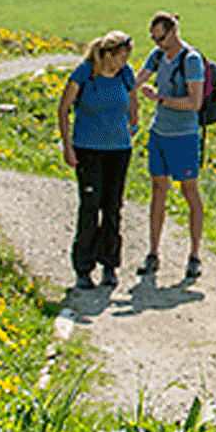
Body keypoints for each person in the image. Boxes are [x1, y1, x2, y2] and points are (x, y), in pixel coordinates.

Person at [57, 29, 139, 290]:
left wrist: (133, 125)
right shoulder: (84, 72)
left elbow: (132, 98)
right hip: (88, 148)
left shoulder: (126, 73)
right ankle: (83, 267)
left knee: (113, 207)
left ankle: (110, 264)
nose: (125, 62)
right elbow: (64, 108)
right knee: (90, 207)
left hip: (118, 149)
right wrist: (68, 147)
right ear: (107, 54)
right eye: (121, 56)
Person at [135, 10, 207, 285]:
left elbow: (195, 102)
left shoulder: (191, 60)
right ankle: (153, 253)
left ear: (173, 32)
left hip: (185, 135)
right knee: (157, 189)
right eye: (154, 39)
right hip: (159, 133)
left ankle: (195, 255)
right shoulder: (157, 56)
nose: (157, 43)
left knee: (189, 191)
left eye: (161, 38)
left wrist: (160, 99)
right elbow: (138, 79)